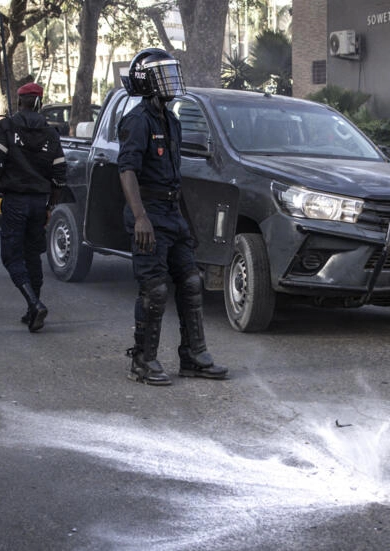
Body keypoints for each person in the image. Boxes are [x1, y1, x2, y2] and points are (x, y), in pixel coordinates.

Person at [117, 48, 228, 386]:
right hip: (148, 215)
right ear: (147, 82)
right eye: (162, 75)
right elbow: (126, 170)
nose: (170, 81)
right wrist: (140, 218)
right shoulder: (137, 121)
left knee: (192, 283)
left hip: (172, 215)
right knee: (154, 290)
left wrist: (186, 223)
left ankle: (193, 356)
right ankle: (143, 360)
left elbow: (175, 178)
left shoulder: (172, 121)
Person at [0, 82, 65, 332]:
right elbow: (59, 174)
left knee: (11, 255)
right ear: (39, 103)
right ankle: (32, 309)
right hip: (39, 203)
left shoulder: (6, 127)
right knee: (32, 255)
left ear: (20, 102)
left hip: (16, 202)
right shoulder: (51, 133)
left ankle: (34, 303)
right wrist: (51, 204)